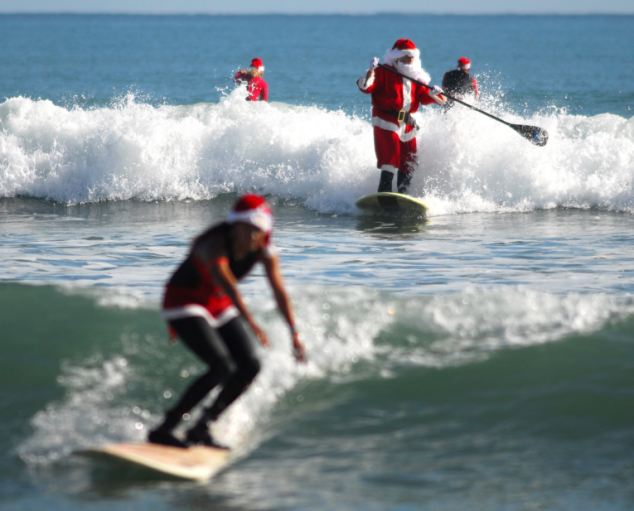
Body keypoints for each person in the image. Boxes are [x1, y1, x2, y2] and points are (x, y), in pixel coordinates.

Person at [148, 194, 305, 449]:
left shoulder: (265, 249)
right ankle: (165, 428)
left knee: (250, 365)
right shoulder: (213, 246)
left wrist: (294, 333)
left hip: (216, 303)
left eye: (258, 231)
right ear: (234, 226)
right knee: (221, 366)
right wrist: (252, 324)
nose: (251, 237)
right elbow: (229, 286)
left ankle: (202, 427)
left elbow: (279, 292)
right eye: (246, 229)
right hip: (183, 300)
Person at [357, 38, 447, 194]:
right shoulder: (383, 72)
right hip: (386, 120)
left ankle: (403, 194)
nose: (410, 62)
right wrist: (370, 71)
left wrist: (434, 94)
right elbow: (365, 87)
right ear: (396, 58)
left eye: (412, 59)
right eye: (406, 58)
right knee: (390, 156)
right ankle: (384, 193)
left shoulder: (416, 77)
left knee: (409, 159)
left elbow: (424, 98)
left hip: (406, 122)